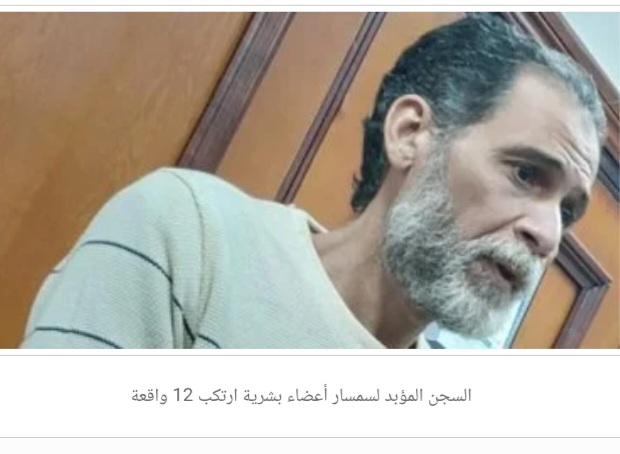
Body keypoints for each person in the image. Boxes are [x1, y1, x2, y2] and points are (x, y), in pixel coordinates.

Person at [21, 14, 606, 349]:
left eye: (568, 210)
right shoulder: (189, 236)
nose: (548, 235)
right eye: (527, 173)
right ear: (410, 133)